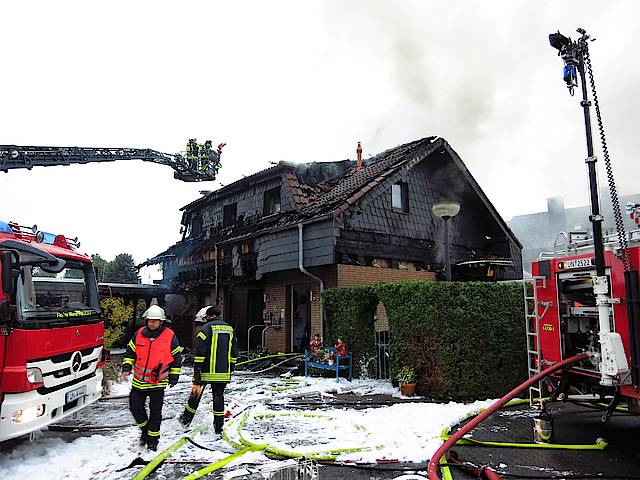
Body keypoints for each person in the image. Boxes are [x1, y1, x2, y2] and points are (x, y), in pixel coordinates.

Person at [122, 305, 182, 450]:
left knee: (155, 414)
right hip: (139, 383)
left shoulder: (170, 336)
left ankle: (153, 441)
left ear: (161, 322)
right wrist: (126, 368)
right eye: (150, 320)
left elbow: (176, 358)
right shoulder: (139, 334)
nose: (152, 323)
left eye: (155, 321)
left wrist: (174, 377)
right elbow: (130, 353)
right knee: (135, 408)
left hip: (157, 383)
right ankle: (145, 431)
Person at [180, 305, 237, 433]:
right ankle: (218, 426)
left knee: (195, 395)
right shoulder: (229, 329)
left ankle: (186, 421)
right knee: (218, 397)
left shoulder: (206, 328)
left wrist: (197, 368)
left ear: (208, 316)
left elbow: (200, 351)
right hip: (223, 373)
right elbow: (234, 351)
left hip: (205, 371)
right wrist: (231, 366)